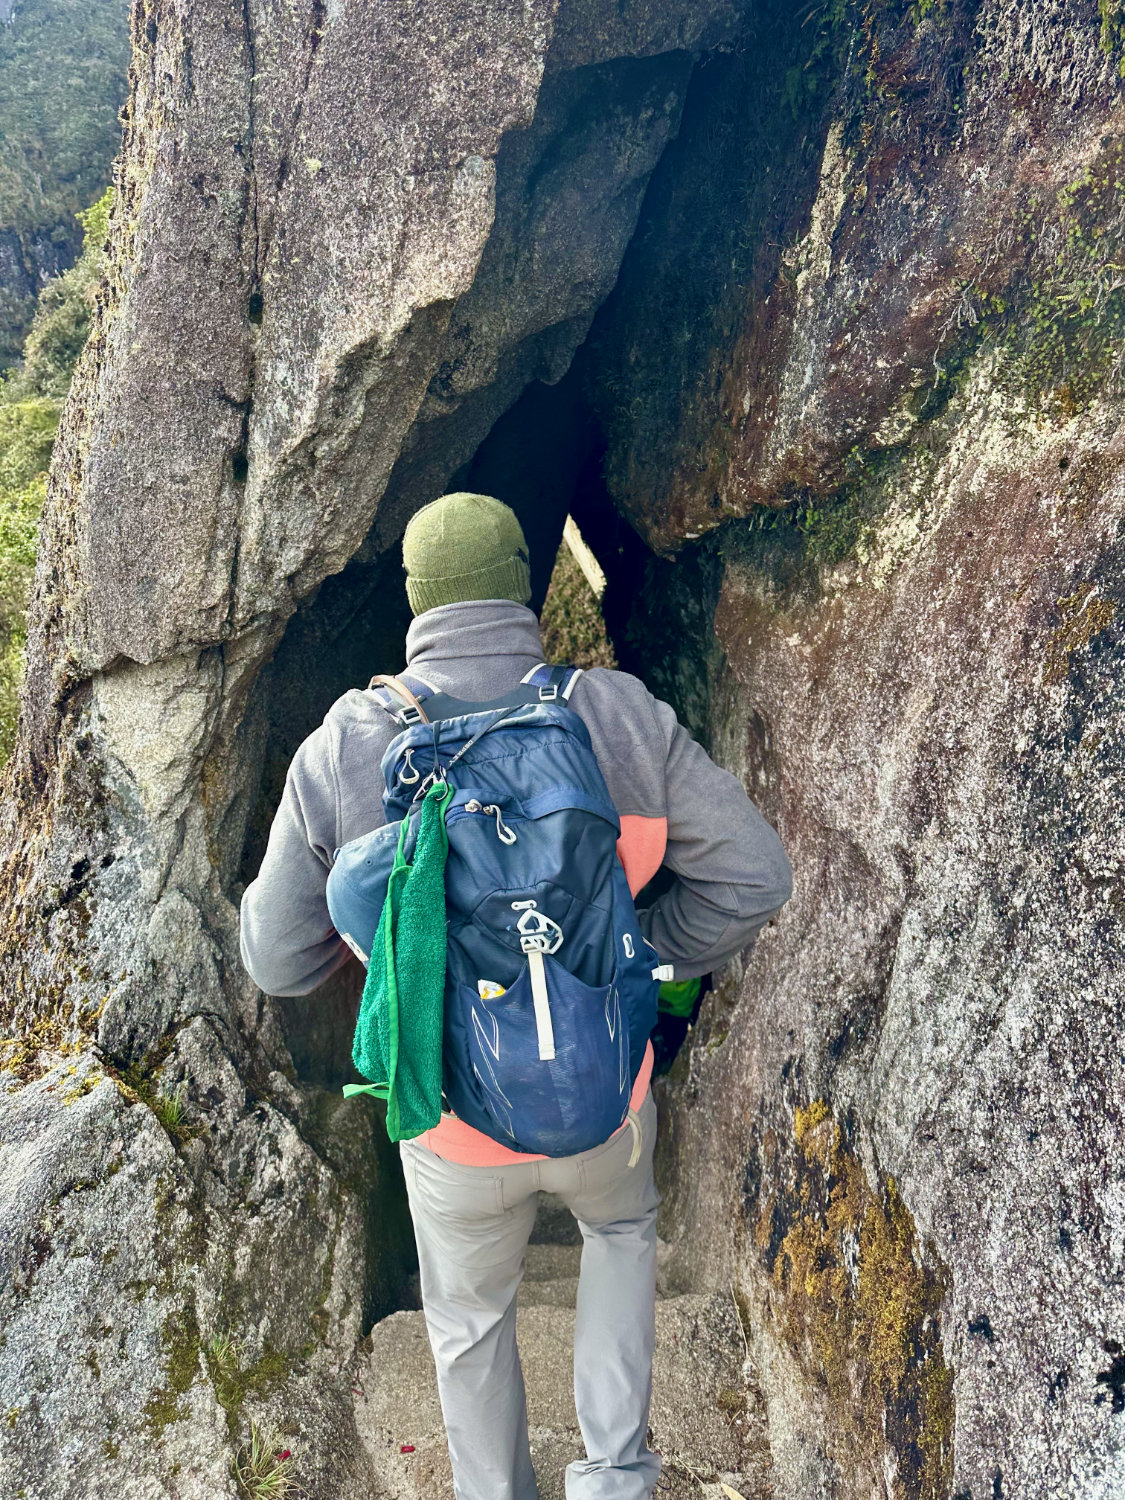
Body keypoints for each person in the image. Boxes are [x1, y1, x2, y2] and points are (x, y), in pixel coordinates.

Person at [240, 492, 792, 1500]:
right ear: (520, 584)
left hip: (452, 1128)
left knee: (467, 1319)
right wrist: (638, 954)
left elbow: (276, 961)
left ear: (416, 603)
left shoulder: (344, 746)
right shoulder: (618, 714)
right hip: (605, 1098)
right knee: (621, 1237)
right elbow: (754, 876)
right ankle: (617, 1474)